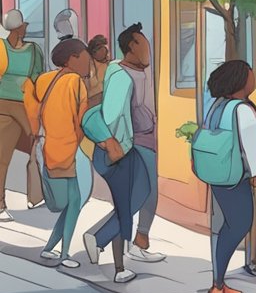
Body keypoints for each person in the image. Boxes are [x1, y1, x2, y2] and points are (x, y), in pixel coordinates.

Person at [86, 24, 164, 264]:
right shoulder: (121, 75)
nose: (148, 51)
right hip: (134, 143)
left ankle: (127, 240)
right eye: (144, 46)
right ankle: (104, 239)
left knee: (143, 195)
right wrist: (115, 145)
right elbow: (112, 115)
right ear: (131, 47)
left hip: (147, 139)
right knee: (143, 194)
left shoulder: (137, 71)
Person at [203, 60, 256, 293]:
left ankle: (218, 280)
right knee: (240, 224)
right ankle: (218, 285)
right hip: (235, 175)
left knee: (226, 225)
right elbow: (250, 144)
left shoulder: (218, 106)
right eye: (250, 75)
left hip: (216, 172)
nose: (254, 78)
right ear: (240, 81)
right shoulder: (243, 109)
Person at [31, 38, 93, 267]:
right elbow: (82, 121)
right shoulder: (76, 82)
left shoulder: (44, 80)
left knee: (71, 203)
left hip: (49, 149)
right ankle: (64, 255)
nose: (89, 64)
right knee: (74, 202)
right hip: (69, 150)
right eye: (85, 58)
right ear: (72, 59)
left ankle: (50, 248)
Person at [1, 9, 46, 218]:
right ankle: (2, 203)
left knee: (38, 148)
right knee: (4, 156)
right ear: (19, 27)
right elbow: (37, 78)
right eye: (24, 25)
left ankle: (36, 196)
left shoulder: (34, 50)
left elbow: (38, 78)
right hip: (7, 106)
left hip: (24, 106)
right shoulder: (6, 48)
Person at [85, 35, 110, 106]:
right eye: (102, 48)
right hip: (94, 101)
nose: (106, 51)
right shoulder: (89, 66)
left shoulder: (109, 65)